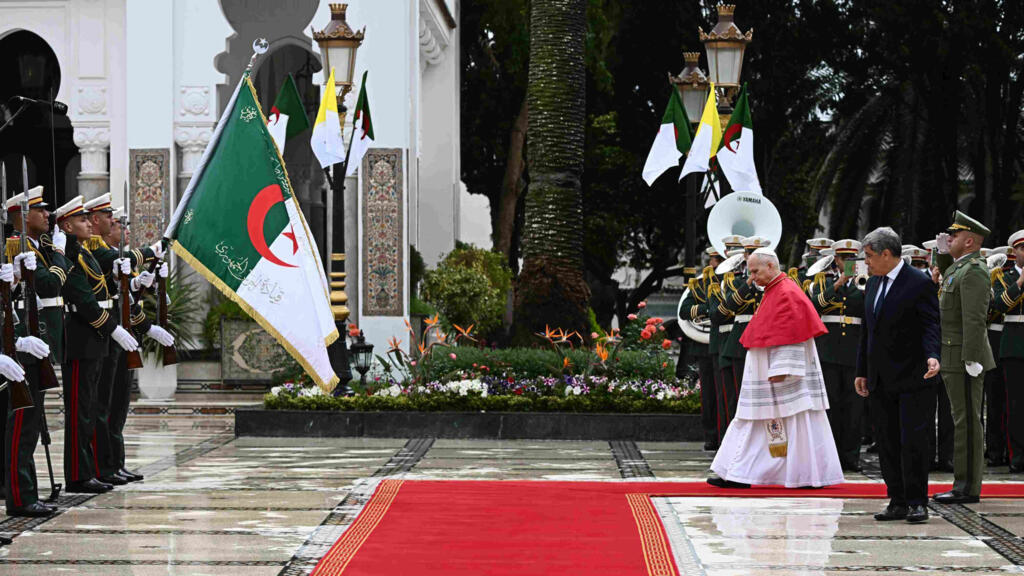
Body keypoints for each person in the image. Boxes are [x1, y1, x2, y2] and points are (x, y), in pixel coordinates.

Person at [709, 248, 843, 489]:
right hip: (768, 373)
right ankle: (740, 472)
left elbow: (792, 334)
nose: (752, 277)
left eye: (755, 271)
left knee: (790, 421)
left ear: (771, 266)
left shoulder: (786, 291)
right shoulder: (776, 289)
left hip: (782, 375)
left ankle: (801, 475)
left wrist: (783, 369)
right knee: (754, 420)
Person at [55, 196, 141, 494]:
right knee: (81, 410)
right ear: (66, 225)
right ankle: (78, 475)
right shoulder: (69, 254)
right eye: (82, 220)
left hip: (94, 339)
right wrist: (114, 329)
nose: (88, 223)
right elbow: (84, 300)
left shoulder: (82, 252)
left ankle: (91, 470)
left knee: (92, 407)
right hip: (81, 338)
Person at [856, 226, 940, 524]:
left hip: (914, 376)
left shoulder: (918, 283)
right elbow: (868, 330)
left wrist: (933, 355)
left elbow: (931, 324)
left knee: (913, 442)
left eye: (869, 256)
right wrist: (862, 371)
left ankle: (917, 501)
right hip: (881, 378)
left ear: (887, 254)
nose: (865, 262)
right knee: (888, 442)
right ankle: (898, 500)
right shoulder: (874, 283)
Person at [3, 186, 73, 517]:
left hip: (33, 341)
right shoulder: (16, 246)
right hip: (20, 346)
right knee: (22, 425)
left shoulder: (33, 247)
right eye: (40, 210)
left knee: (29, 426)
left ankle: (24, 491)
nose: (47, 215)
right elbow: (46, 287)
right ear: (21, 215)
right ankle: (20, 495)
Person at [930, 211, 996, 505]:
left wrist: (971, 358)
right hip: (953, 353)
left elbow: (974, 319)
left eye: (954, 236)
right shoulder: (962, 268)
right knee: (962, 420)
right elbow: (948, 280)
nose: (949, 238)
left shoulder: (975, 271)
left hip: (965, 357)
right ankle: (963, 483)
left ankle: (967, 487)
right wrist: (941, 253)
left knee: (967, 422)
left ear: (969, 241)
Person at [809, 239, 866, 472]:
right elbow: (813, 307)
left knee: (854, 409)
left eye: (853, 258)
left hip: (855, 351)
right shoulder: (821, 283)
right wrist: (838, 284)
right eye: (844, 259)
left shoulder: (867, 283)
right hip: (828, 351)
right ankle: (829, 458)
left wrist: (862, 284)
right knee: (830, 406)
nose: (848, 263)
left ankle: (850, 457)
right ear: (836, 260)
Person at [679, 246, 724, 450]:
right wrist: (709, 309)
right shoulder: (700, 283)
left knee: (729, 393)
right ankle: (712, 435)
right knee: (709, 394)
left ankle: (726, 435)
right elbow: (684, 310)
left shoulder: (740, 282)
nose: (716, 262)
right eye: (715, 259)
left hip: (730, 342)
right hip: (706, 346)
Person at [921, 239, 954, 472]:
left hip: (950, 349)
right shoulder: (919, 279)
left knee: (948, 409)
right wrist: (931, 284)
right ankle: (926, 455)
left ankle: (947, 456)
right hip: (926, 352)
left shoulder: (954, 277)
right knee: (925, 407)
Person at [992, 231, 1023, 472]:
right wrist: (1021, 283)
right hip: (1014, 343)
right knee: (1015, 404)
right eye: (1022, 248)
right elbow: (1000, 305)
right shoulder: (1004, 277)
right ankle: (1018, 456)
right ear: (1015, 253)